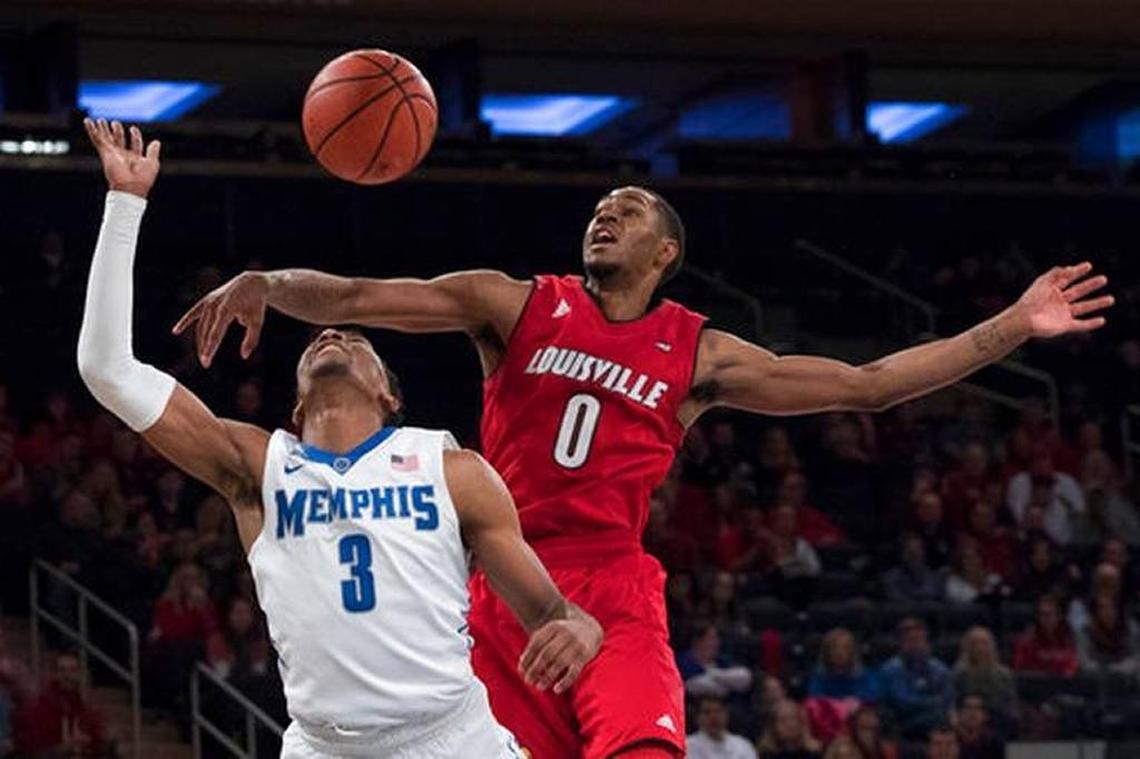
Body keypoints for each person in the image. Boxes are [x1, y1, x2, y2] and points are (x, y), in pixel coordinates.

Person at [179, 176, 1112, 758]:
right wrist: (269, 283)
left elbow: (866, 386)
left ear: (665, 252)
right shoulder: (513, 305)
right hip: (498, 586)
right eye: (596, 209)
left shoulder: (695, 352)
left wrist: (1012, 328)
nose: (604, 217)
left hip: (613, 586)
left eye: (625, 211)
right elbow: (356, 296)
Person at [75, 118, 601, 759]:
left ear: (389, 396)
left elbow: (556, 615)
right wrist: (124, 203)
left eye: (357, 340)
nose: (334, 336)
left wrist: (583, 632)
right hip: (324, 747)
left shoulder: (451, 467)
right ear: (296, 406)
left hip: (452, 739)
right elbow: (106, 369)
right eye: (322, 338)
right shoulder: (260, 466)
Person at [13, 651, 109, 758]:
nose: (68, 676)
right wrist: (62, 749)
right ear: (54, 674)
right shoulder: (38, 708)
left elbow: (97, 743)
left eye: (73, 670)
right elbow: (31, 751)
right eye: (62, 670)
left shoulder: (86, 709)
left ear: (80, 674)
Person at [879, 618, 953, 739]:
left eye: (920, 640)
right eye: (911, 641)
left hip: (933, 721)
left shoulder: (940, 669)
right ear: (901, 644)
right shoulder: (890, 669)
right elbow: (903, 702)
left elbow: (947, 699)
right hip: (902, 722)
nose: (916, 645)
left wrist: (933, 704)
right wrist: (933, 702)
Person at [952, 627, 1017, 735]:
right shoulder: (959, 672)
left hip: (995, 717)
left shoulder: (1004, 674)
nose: (980, 648)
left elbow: (1010, 703)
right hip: (966, 717)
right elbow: (954, 700)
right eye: (975, 643)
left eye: (984, 643)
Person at [1011, 595, 1078, 677]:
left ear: (1059, 616)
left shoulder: (1068, 639)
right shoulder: (1026, 641)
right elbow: (1019, 671)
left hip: (1063, 686)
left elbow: (1072, 666)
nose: (1044, 619)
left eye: (1048, 614)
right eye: (1041, 614)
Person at [686, 696, 758, 759]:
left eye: (718, 711)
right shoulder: (688, 746)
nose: (713, 717)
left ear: (727, 714)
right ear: (697, 718)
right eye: (707, 712)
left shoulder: (743, 745)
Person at [756, 699, 822, 759]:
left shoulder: (814, 753)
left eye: (793, 718)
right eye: (783, 720)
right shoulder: (765, 754)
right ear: (773, 726)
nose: (790, 725)